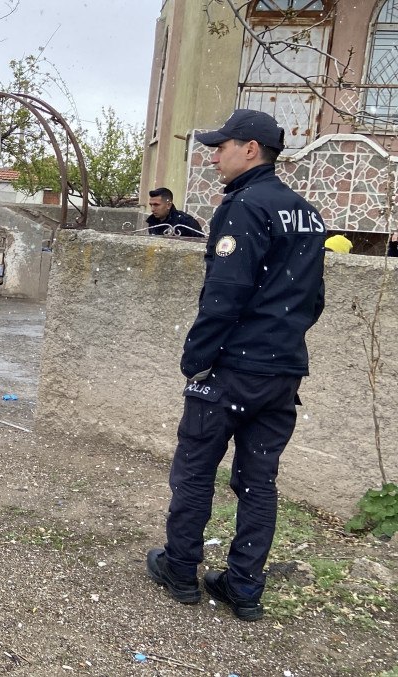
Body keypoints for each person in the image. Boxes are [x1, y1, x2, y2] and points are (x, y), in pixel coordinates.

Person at [146, 109, 326, 622]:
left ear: (250, 150)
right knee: (258, 481)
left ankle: (181, 568)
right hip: (282, 372)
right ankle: (244, 586)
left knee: (196, 469)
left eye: (221, 147)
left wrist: (196, 361)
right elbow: (313, 299)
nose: (214, 156)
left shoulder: (244, 206)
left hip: (233, 369)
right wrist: (281, 344)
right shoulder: (306, 213)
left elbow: (224, 295)